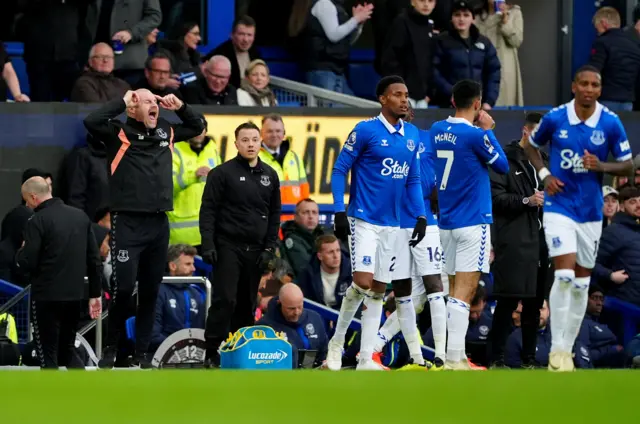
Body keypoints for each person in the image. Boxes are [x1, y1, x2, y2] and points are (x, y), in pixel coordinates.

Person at [83, 89, 206, 369]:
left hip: (158, 222)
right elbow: (91, 121)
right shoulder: (118, 131)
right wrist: (123, 101)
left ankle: (141, 354)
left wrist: (182, 106)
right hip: (127, 221)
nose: (154, 106)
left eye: (156, 102)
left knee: (151, 290)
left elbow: (198, 125)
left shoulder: (166, 130)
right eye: (147, 102)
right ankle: (111, 349)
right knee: (123, 288)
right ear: (132, 108)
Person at [523, 65, 634, 371]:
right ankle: (557, 351)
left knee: (582, 285)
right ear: (574, 86)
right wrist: (545, 174)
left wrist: (602, 166)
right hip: (560, 207)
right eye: (583, 83)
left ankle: (567, 349)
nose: (588, 89)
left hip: (590, 212)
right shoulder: (557, 117)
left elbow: (627, 167)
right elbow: (531, 146)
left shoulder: (610, 122)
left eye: (594, 85)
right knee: (564, 275)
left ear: (600, 89)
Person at [325, 75, 427, 371]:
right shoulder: (365, 130)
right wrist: (338, 210)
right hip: (363, 219)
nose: (404, 100)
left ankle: (366, 358)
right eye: (398, 94)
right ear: (383, 99)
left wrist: (419, 215)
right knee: (363, 281)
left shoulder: (412, 135)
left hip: (393, 225)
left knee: (380, 290)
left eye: (406, 94)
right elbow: (338, 170)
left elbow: (414, 179)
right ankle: (337, 342)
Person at [431, 79, 509, 370]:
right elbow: (501, 165)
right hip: (473, 222)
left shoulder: (438, 130)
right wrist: (489, 131)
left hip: (446, 222)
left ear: (452, 101)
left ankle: (457, 355)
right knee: (464, 293)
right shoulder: (476, 135)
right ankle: (454, 358)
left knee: (453, 289)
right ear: (477, 104)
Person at [199, 122, 281, 367]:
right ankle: (212, 350)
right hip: (227, 246)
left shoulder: (270, 175)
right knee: (225, 299)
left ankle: (241, 350)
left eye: (254, 139)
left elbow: (275, 213)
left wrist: (269, 248)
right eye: (245, 140)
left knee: (247, 303)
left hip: (256, 249)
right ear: (236, 144)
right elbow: (208, 211)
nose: (250, 144)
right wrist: (208, 244)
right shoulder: (222, 174)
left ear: (260, 142)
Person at [372, 109, 447, 370]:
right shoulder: (378, 141)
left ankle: (442, 356)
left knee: (434, 285)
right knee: (402, 291)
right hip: (394, 224)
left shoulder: (428, 140)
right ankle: (417, 357)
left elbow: (440, 179)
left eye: (406, 105)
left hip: (425, 221)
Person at [15, 177, 103, 369]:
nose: (28, 205)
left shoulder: (37, 220)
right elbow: (94, 260)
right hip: (74, 296)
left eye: (27, 200)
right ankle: (83, 391)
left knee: (47, 354)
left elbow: (28, 261)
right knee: (67, 349)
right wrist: (95, 294)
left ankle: (51, 396)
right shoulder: (80, 217)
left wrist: (21, 253)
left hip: (46, 297)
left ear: (33, 196)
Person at [489, 112, 551, 368]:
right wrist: (527, 201)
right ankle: (496, 358)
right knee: (508, 301)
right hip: (513, 241)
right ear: (526, 132)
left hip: (541, 240)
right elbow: (495, 198)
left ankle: (529, 359)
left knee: (535, 304)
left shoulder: (546, 162)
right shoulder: (504, 158)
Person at [257, 283, 328, 368]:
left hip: (312, 373)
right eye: (291, 308)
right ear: (280, 303)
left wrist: (326, 362)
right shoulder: (265, 327)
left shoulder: (314, 318)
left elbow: (324, 350)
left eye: (300, 307)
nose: (296, 312)